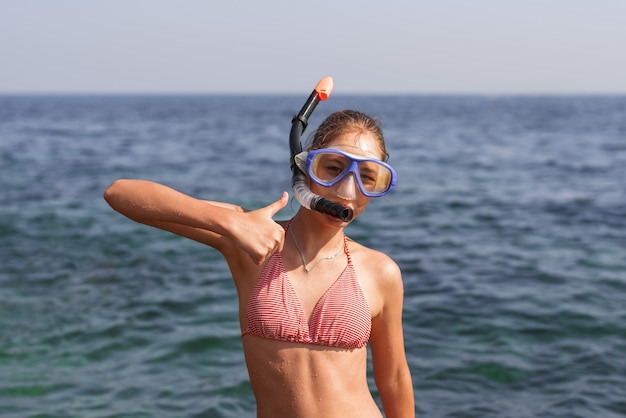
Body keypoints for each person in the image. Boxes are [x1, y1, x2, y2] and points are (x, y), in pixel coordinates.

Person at [104, 109, 415, 417]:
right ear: (306, 167)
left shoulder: (380, 272)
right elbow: (120, 194)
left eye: (367, 178)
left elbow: (395, 379)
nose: (348, 191)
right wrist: (231, 222)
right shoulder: (250, 240)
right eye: (333, 168)